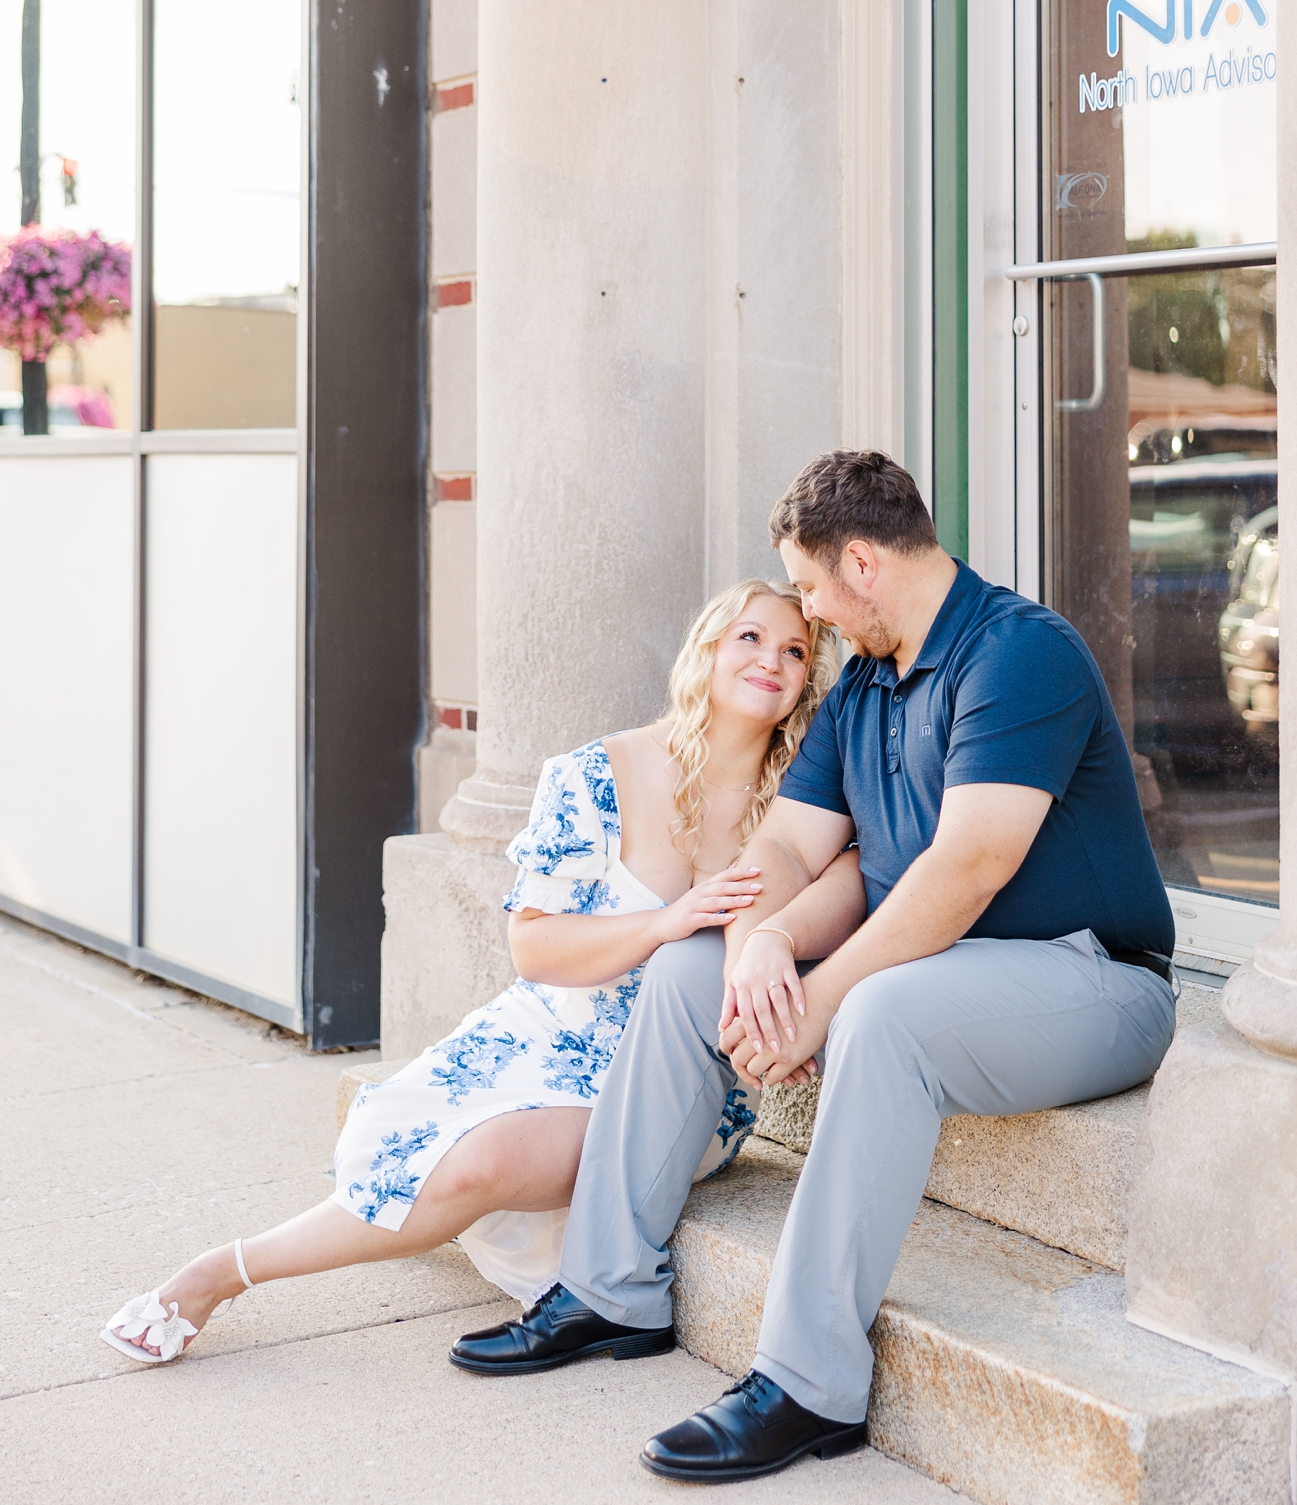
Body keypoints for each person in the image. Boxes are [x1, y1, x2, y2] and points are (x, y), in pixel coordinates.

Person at [451, 450, 1178, 1487]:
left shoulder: (1018, 655)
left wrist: (821, 996)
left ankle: (806, 1383)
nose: (810, 611)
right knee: (692, 967)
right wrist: (758, 949)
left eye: (810, 586)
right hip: (941, 970)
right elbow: (789, 850)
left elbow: (965, 869)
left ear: (865, 564)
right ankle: (609, 1289)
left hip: (1091, 977)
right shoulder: (865, 689)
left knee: (882, 1016)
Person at [101, 577, 850, 1366]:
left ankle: (226, 1272)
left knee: (479, 1165)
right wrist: (668, 922)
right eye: (751, 638)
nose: (773, 659)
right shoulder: (599, 775)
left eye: (796, 650)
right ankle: (226, 1268)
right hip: (549, 1030)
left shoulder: (802, 806)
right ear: (706, 649)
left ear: (808, 680)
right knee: (424, 1154)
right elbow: (535, 949)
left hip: (675, 1083)